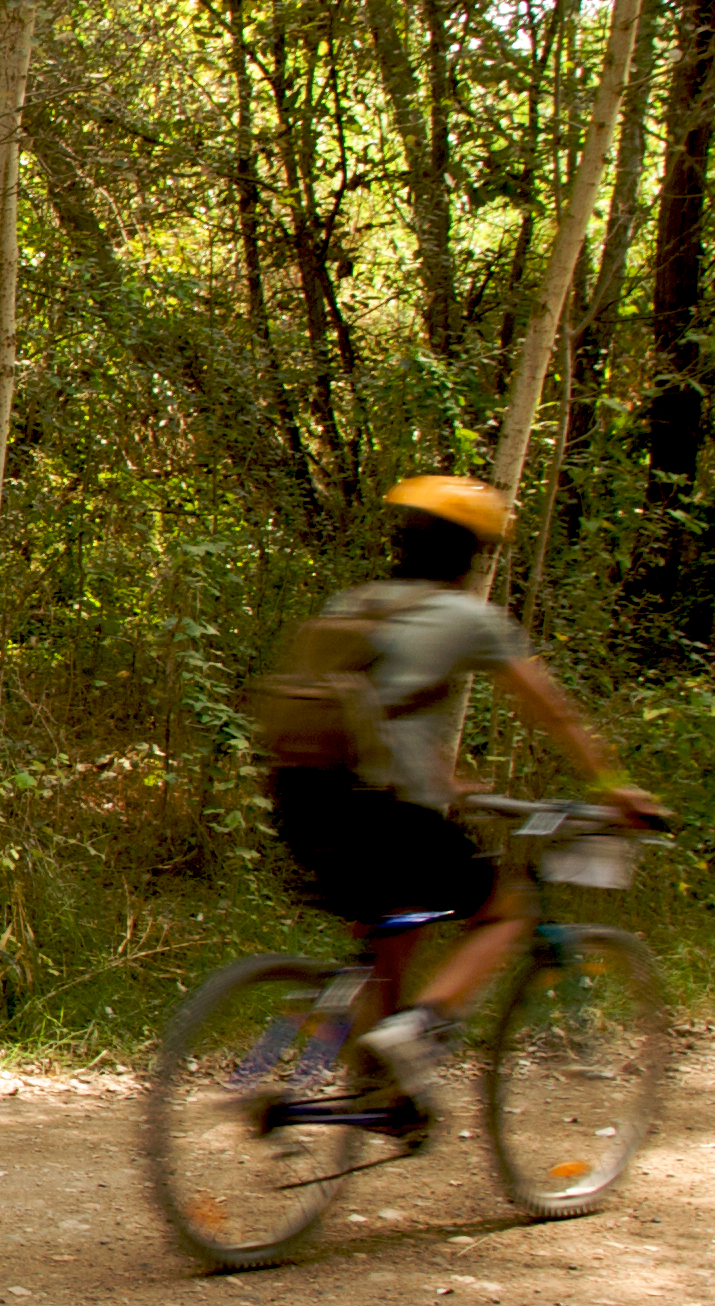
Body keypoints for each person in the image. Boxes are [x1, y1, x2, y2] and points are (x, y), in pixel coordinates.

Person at [263, 474, 659, 1113]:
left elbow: (378, 707)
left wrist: (445, 783)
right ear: (474, 554)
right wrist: (615, 790)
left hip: (303, 800)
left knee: (395, 926)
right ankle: (416, 1032)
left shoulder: (355, 602)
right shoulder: (471, 618)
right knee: (507, 914)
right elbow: (553, 713)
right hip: (382, 810)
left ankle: (380, 1093)